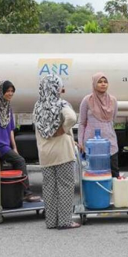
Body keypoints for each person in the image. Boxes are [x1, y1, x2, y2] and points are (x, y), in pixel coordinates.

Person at [34, 74, 80, 229]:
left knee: (48, 187)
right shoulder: (61, 104)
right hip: (63, 153)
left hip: (45, 154)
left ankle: (51, 221)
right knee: (65, 186)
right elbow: (72, 118)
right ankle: (65, 221)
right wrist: (62, 130)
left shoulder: (38, 106)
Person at [0, 80, 41, 202]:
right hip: (1, 145)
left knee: (7, 167)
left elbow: (11, 129)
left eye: (12, 91)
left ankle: (9, 196)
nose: (10, 93)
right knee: (21, 161)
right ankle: (27, 193)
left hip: (6, 145)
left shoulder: (8, 108)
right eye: (7, 91)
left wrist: (14, 147)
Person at [78, 72, 119, 177]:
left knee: (113, 173)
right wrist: (81, 142)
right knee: (95, 174)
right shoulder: (87, 100)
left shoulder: (113, 100)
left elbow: (112, 119)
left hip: (110, 143)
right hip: (92, 144)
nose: (103, 84)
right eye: (100, 82)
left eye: (105, 82)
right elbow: (82, 123)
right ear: (94, 84)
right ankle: (97, 193)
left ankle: (113, 193)